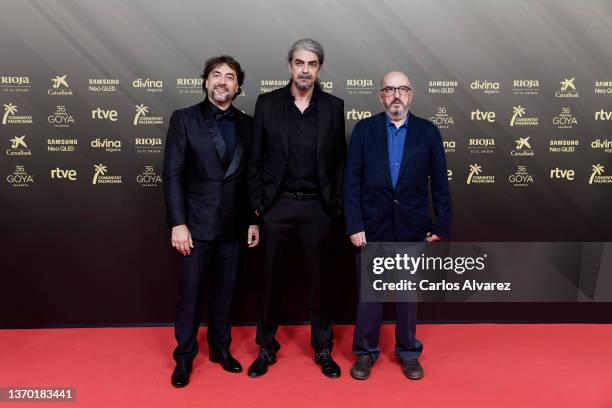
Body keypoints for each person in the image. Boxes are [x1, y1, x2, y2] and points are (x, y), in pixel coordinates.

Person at [246, 39, 346, 378]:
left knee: (320, 284)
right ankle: (265, 348)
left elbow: (339, 162)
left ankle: (322, 349)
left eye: (312, 64)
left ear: (319, 69)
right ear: (290, 66)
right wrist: (259, 207)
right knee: (270, 282)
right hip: (278, 207)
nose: (305, 69)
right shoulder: (267, 104)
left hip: (318, 208)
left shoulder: (333, 107)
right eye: (299, 63)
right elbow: (255, 160)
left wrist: (335, 206)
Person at [343, 71, 452, 380]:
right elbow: (351, 182)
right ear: (380, 95)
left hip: (411, 227)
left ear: (410, 95)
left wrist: (441, 223)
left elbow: (440, 184)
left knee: (406, 297)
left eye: (402, 89)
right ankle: (365, 353)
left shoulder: (428, 132)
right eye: (389, 89)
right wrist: (354, 223)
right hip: (372, 226)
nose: (396, 95)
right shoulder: (364, 131)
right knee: (370, 297)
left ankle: (408, 352)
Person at [163, 55, 259, 388]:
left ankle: (220, 350)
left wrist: (252, 221)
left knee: (225, 293)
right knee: (190, 295)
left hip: (233, 227)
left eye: (230, 76)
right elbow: (173, 174)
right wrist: (178, 223)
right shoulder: (185, 119)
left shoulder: (248, 124)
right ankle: (185, 358)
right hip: (195, 226)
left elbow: (250, 179)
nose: (222, 81)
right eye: (216, 75)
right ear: (205, 82)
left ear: (238, 86)